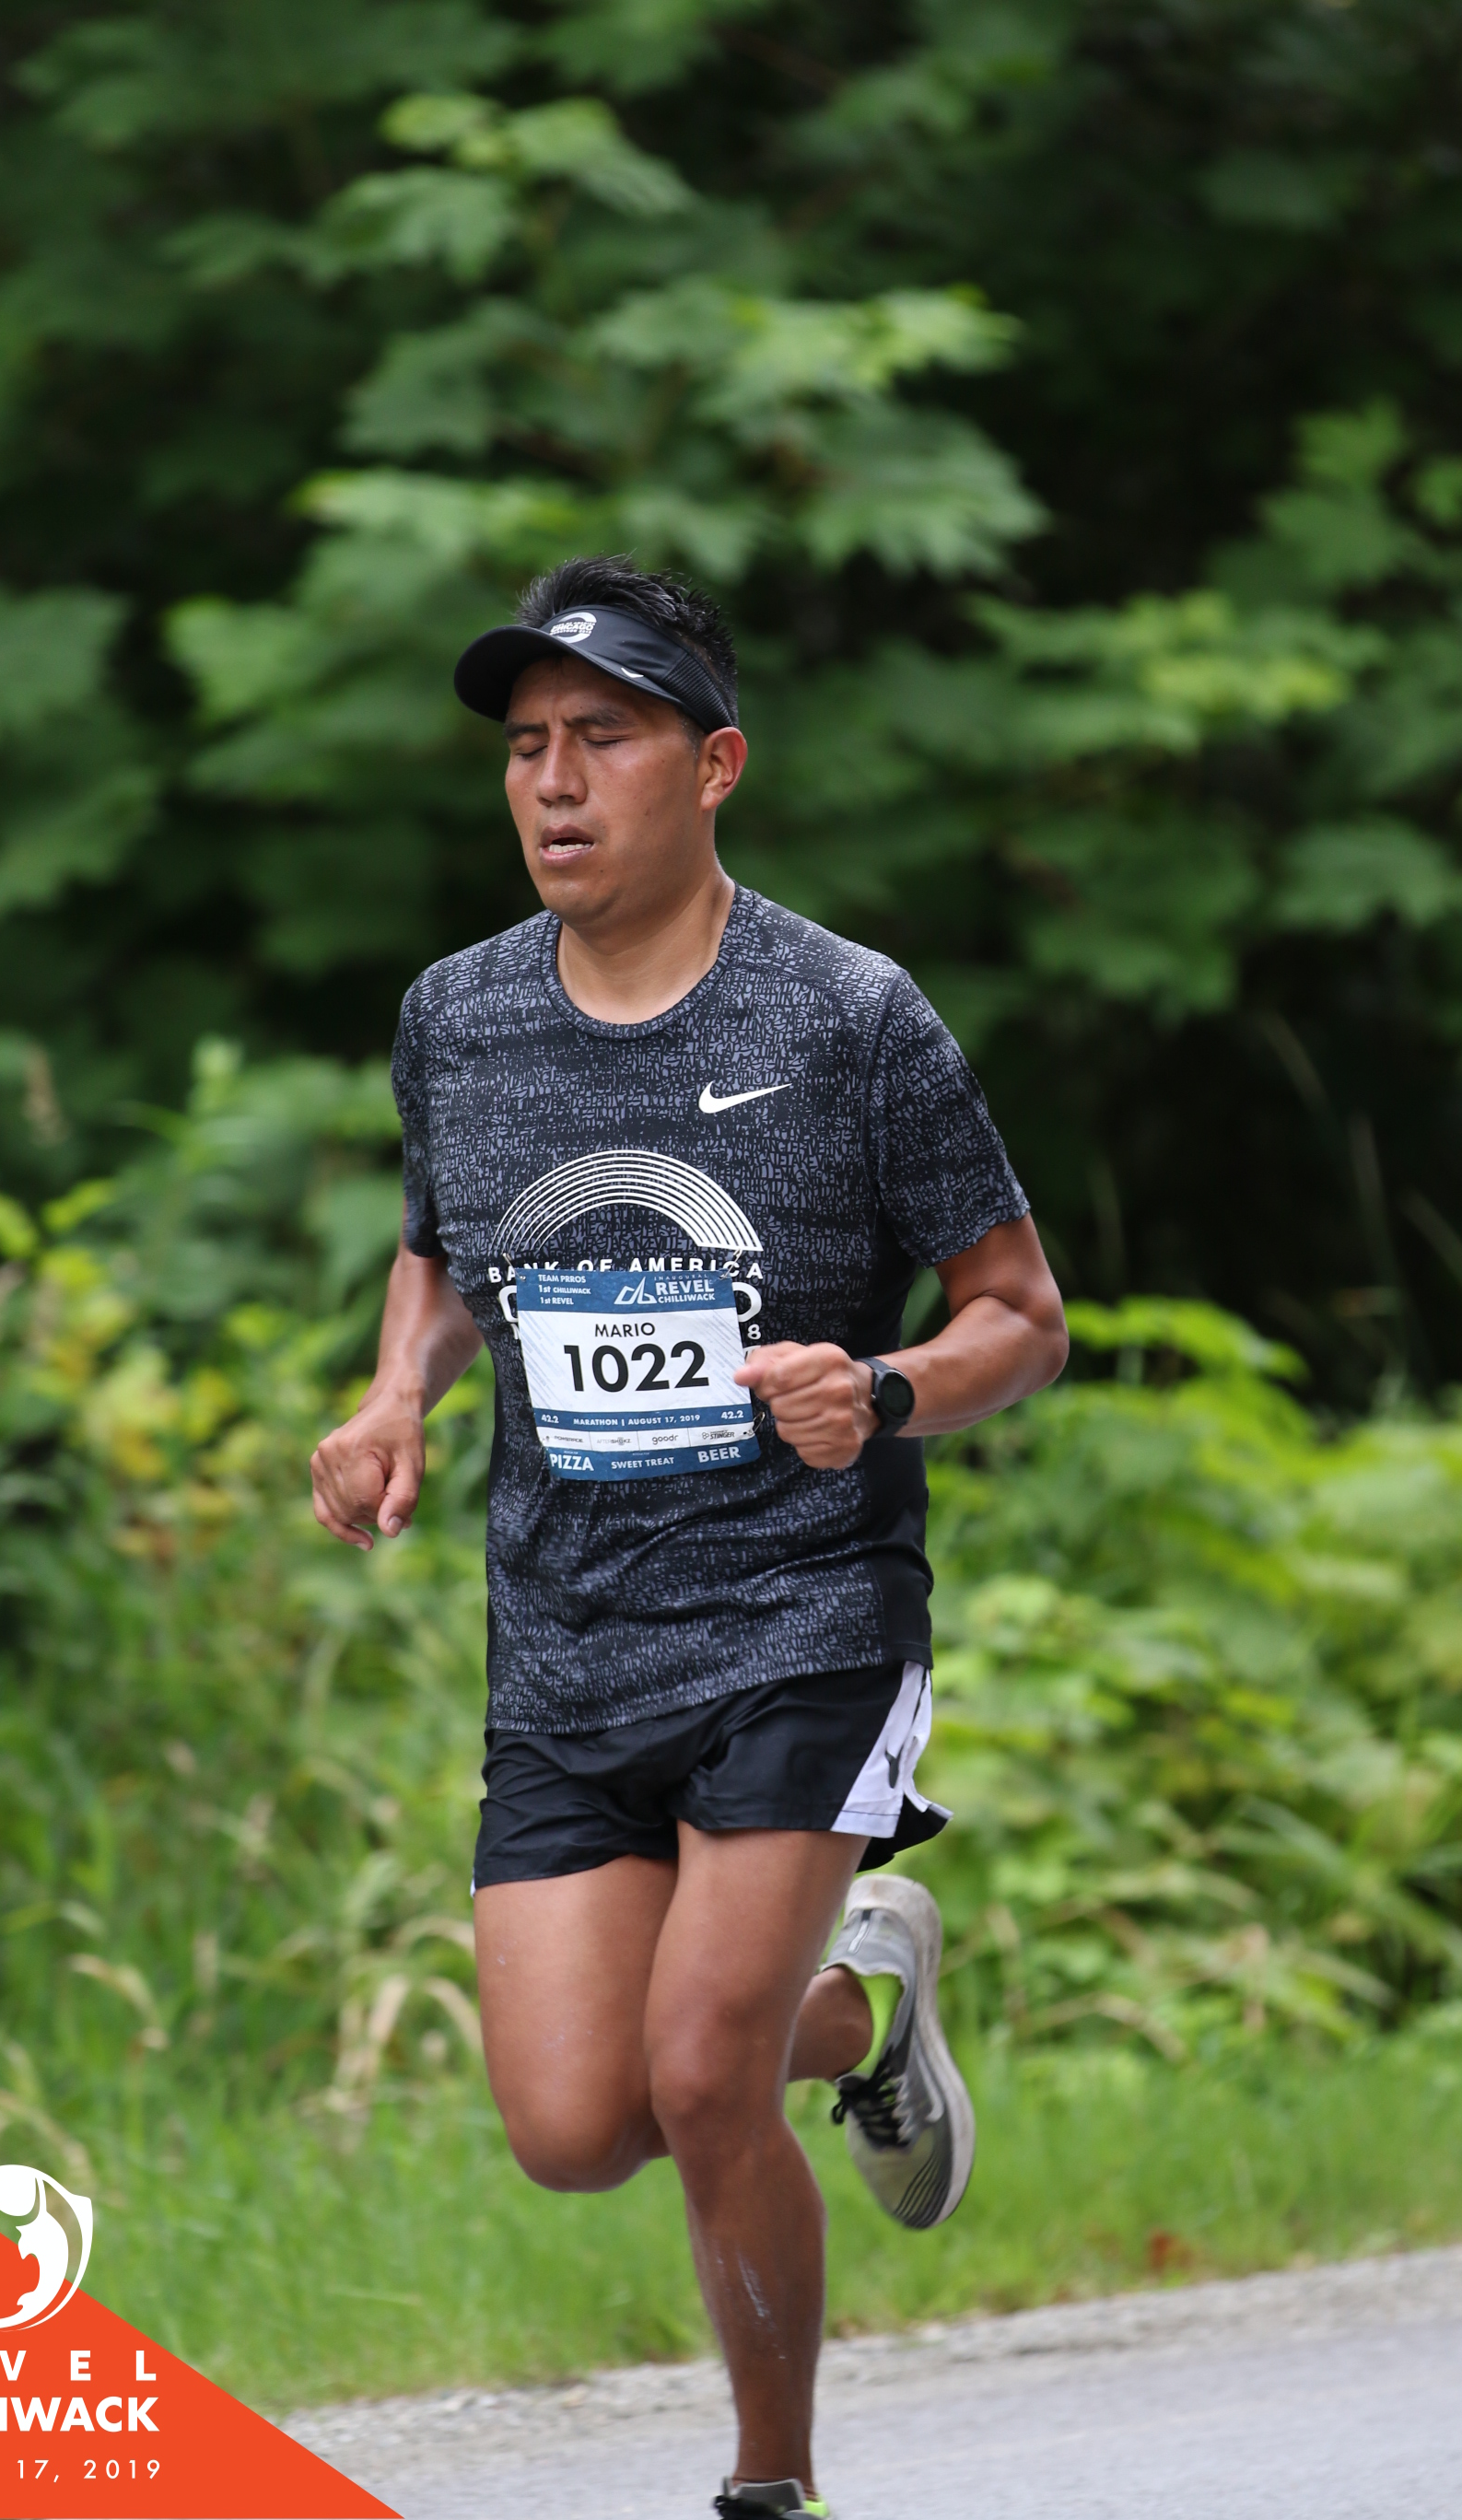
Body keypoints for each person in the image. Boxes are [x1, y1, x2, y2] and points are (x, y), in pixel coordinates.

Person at [310, 556, 1069, 2518]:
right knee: (577, 2124)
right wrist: (395, 1394)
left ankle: (767, 2487)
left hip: (805, 1615)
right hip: (566, 1637)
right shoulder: (459, 1016)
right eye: (526, 747)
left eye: (605, 738)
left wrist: (883, 1389)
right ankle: (865, 2009)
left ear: (713, 766)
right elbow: (443, 1248)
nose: (555, 783)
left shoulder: (851, 1016)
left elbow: (1020, 1316)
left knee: (706, 2080)